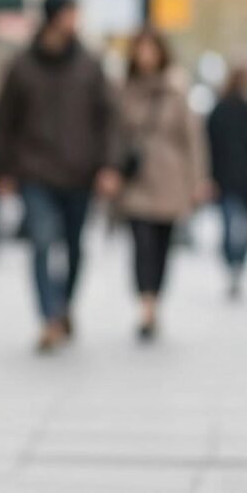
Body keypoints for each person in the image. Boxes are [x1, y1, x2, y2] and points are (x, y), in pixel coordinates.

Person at [0, 0, 117, 353]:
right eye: (70, 14)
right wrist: (2, 171)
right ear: (53, 18)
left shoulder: (90, 65)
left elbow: (108, 119)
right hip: (35, 172)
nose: (75, 21)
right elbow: (5, 123)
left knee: (76, 247)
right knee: (42, 242)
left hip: (81, 172)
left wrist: (109, 165)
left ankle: (64, 305)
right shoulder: (21, 65)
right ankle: (49, 317)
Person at [102, 30, 208, 341]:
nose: (145, 56)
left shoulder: (177, 90)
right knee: (141, 243)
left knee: (161, 245)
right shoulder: (124, 90)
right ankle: (145, 305)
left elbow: (193, 140)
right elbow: (115, 135)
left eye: (151, 50)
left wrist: (198, 180)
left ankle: (155, 299)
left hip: (170, 179)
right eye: (140, 50)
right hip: (135, 180)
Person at [208, 65, 247, 299]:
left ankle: (237, 265)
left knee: (241, 230)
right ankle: (231, 266)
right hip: (227, 179)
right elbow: (210, 144)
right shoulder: (221, 109)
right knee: (231, 226)